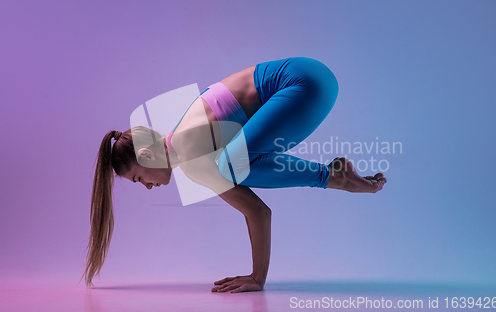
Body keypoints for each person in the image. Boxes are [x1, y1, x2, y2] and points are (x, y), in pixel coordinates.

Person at [81, 57, 387, 293]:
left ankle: (334, 177)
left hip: (304, 85)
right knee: (233, 162)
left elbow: (258, 212)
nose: (147, 187)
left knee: (230, 165)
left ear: (146, 155)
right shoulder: (188, 136)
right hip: (313, 76)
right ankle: (334, 175)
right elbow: (257, 206)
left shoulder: (190, 153)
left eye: (138, 178)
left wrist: (257, 278)